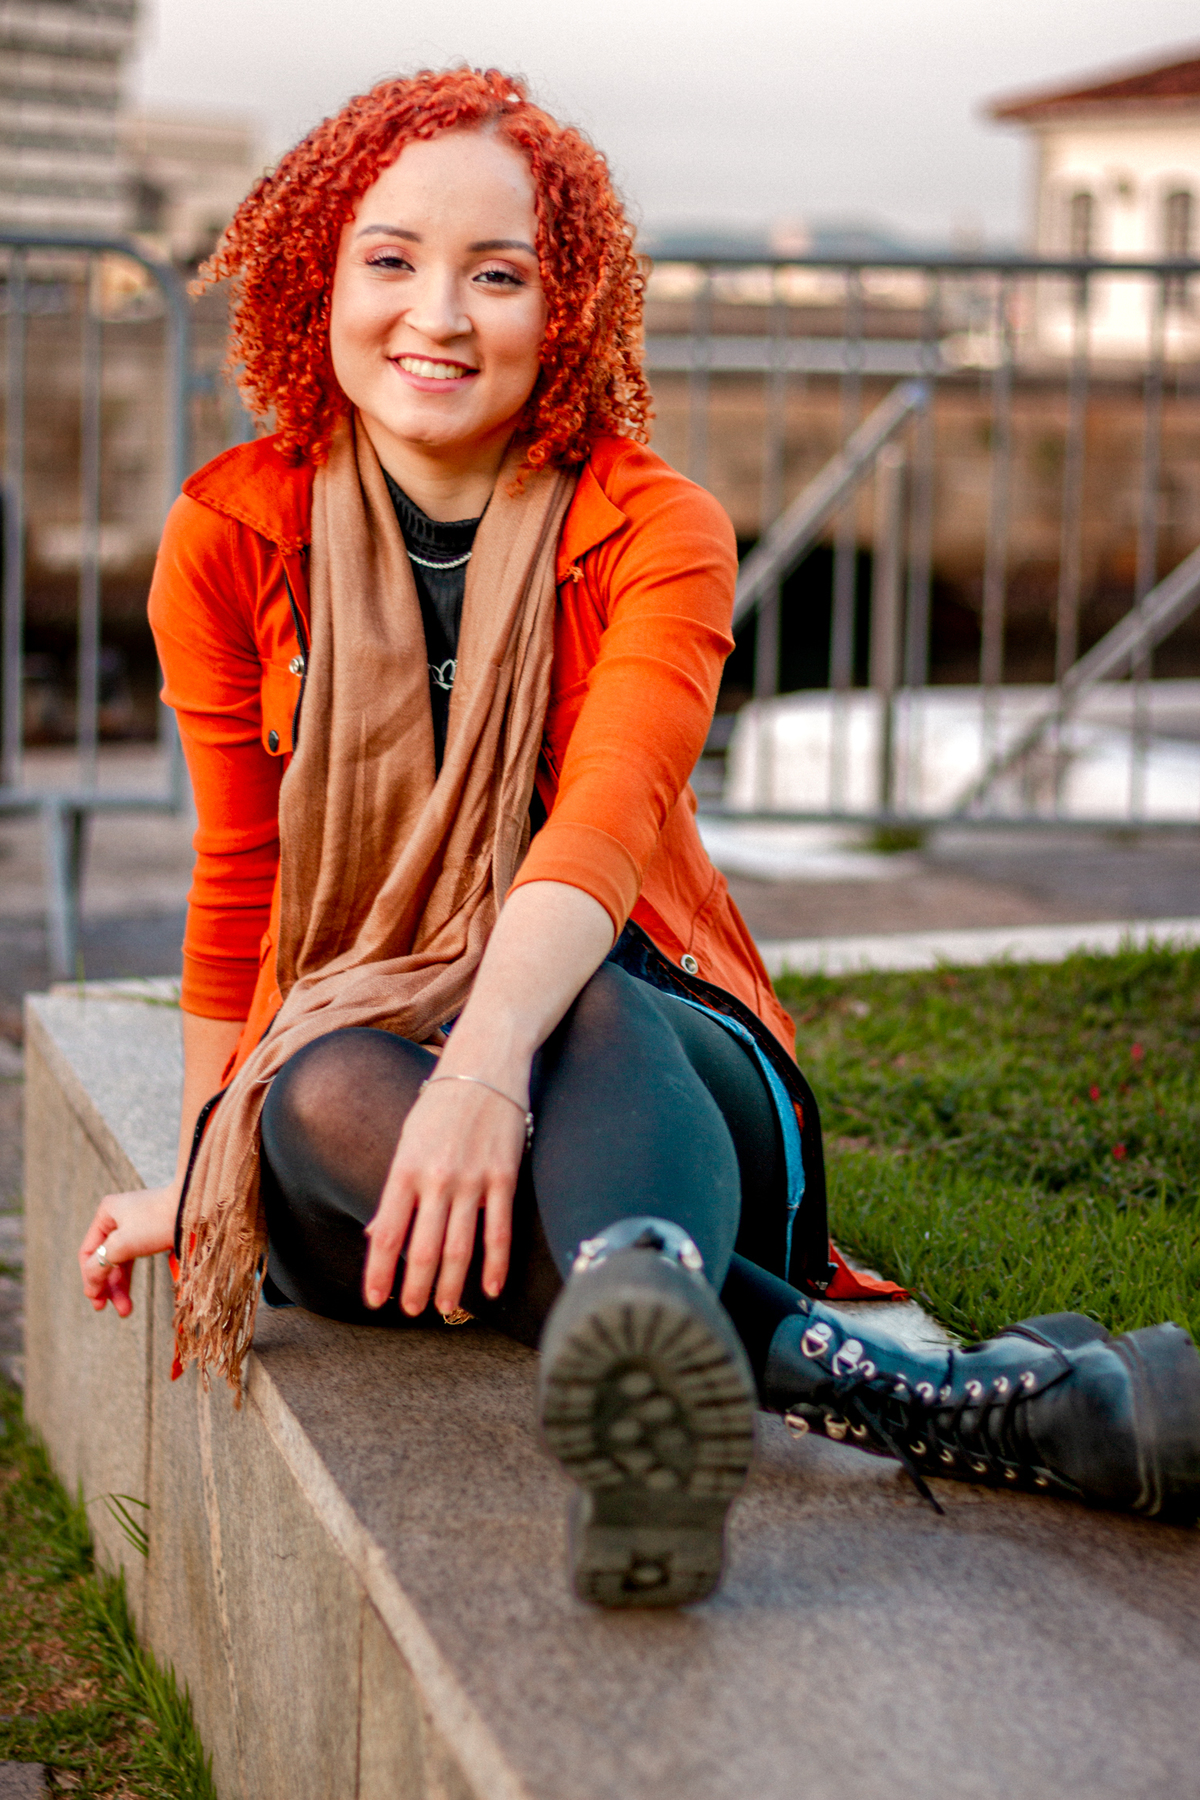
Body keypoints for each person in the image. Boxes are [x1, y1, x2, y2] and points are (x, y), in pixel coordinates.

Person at [78, 68, 1200, 1610]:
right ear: (313, 277)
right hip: (369, 1084)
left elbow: (600, 842)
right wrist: (207, 1169)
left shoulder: (655, 528)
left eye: (499, 275)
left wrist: (485, 1068)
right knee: (314, 1088)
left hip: (654, 1059)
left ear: (571, 307)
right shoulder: (232, 537)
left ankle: (658, 1308)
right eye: (390, 259)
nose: (437, 316)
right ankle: (921, 1395)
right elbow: (241, 888)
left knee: (581, 997)